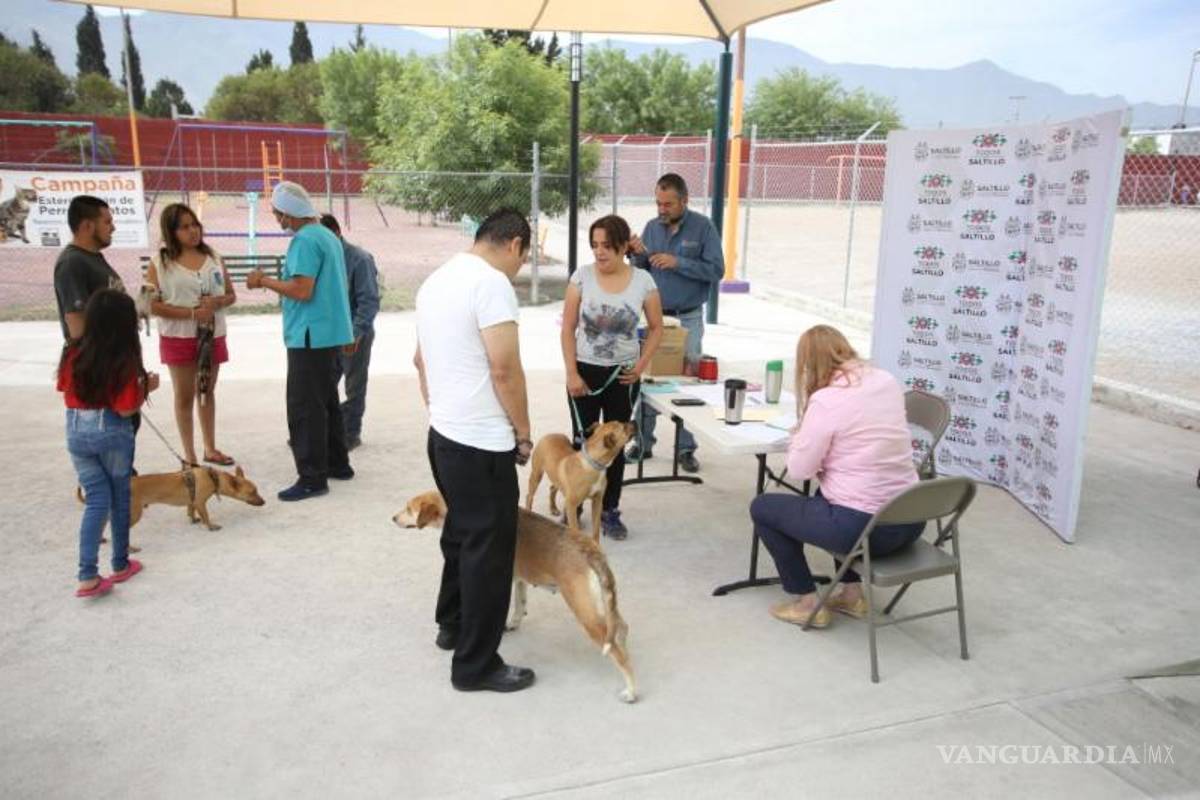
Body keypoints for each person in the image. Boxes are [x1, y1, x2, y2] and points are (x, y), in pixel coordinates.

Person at [414, 207, 536, 693]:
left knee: (462, 533)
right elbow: (504, 370)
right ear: (514, 244)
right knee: (489, 552)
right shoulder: (491, 284)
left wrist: (440, 411)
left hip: (444, 435)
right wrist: (523, 432)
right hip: (481, 442)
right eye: (522, 259)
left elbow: (420, 360)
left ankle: (452, 623)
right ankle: (476, 665)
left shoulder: (436, 281)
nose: (518, 269)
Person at [750, 325, 925, 629]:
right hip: (910, 519)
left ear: (808, 365)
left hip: (864, 532)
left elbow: (799, 470)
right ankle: (852, 595)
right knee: (829, 493)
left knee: (763, 507)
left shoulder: (827, 400)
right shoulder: (885, 380)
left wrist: (800, 436)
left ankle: (807, 603)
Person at [246, 182, 354, 502]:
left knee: (305, 407)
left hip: (309, 334)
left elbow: (302, 290)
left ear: (289, 212)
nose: (278, 219)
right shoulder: (327, 235)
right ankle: (337, 463)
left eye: (278, 213)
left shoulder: (304, 240)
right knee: (326, 401)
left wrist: (263, 281)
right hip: (328, 332)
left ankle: (311, 478)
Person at [562, 214, 663, 540]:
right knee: (583, 442)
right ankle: (575, 503)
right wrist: (572, 373)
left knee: (615, 445)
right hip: (585, 372)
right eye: (594, 245)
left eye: (606, 245)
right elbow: (567, 327)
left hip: (623, 376)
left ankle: (610, 510)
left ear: (622, 246)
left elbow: (657, 327)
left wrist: (641, 365)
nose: (599, 251)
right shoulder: (581, 277)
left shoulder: (643, 281)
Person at [58, 290, 159, 598]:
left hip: (76, 431)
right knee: (119, 497)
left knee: (96, 500)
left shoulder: (73, 350)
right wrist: (146, 388)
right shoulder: (123, 358)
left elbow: (64, 388)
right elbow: (126, 409)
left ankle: (87, 575)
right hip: (112, 432)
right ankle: (120, 564)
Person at [625, 173, 724, 474]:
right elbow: (641, 268)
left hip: (688, 317)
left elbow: (716, 270)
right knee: (647, 378)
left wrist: (678, 262)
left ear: (684, 200)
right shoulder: (651, 228)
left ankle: (685, 448)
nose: (662, 209)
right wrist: (634, 254)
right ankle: (642, 442)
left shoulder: (704, 228)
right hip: (655, 317)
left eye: (668, 204)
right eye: (658, 203)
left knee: (688, 381)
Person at [145, 203, 237, 467]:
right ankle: (190, 456)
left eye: (195, 225)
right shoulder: (158, 263)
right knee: (184, 396)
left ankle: (210, 448)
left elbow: (231, 295)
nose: (193, 231)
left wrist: (217, 303)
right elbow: (148, 305)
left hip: (212, 336)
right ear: (171, 232)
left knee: (206, 391)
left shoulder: (214, 257)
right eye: (184, 227)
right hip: (178, 338)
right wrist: (191, 314)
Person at [319, 214, 381, 451]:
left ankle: (351, 433)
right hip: (328, 334)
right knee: (324, 384)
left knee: (354, 386)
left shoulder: (359, 259)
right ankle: (325, 430)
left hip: (354, 334)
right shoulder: (323, 258)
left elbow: (369, 302)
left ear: (336, 232)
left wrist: (355, 334)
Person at [53, 195, 124, 342]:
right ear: (87, 226)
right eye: (107, 222)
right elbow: (77, 323)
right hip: (99, 355)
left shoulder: (92, 257)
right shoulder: (72, 263)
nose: (113, 228)